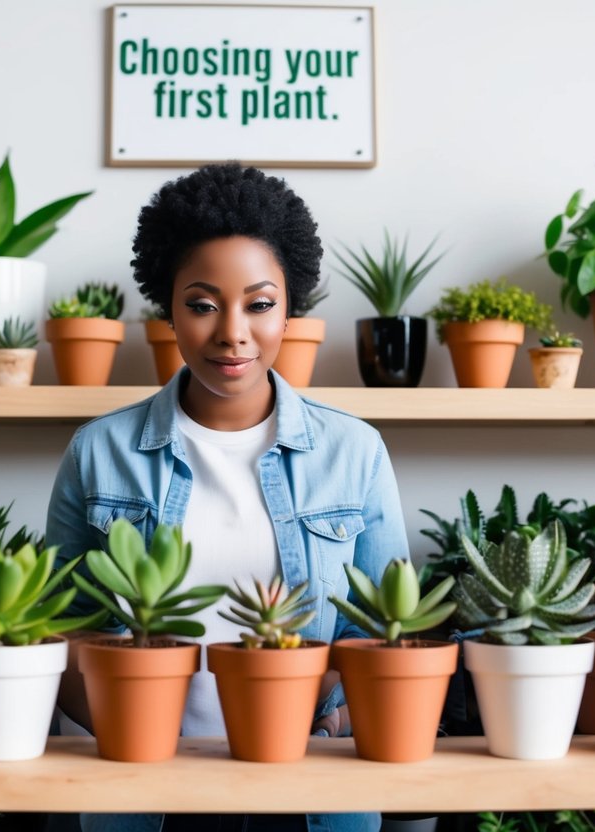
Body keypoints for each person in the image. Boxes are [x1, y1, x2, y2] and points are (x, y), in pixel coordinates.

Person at [46, 163, 409, 832]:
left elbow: (380, 634)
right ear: (168, 306)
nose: (231, 332)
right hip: (144, 796)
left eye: (259, 304)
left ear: (289, 308)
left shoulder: (354, 451)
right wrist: (138, 738)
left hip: (306, 790)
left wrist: (326, 722)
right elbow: (62, 636)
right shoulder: (99, 451)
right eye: (203, 303)